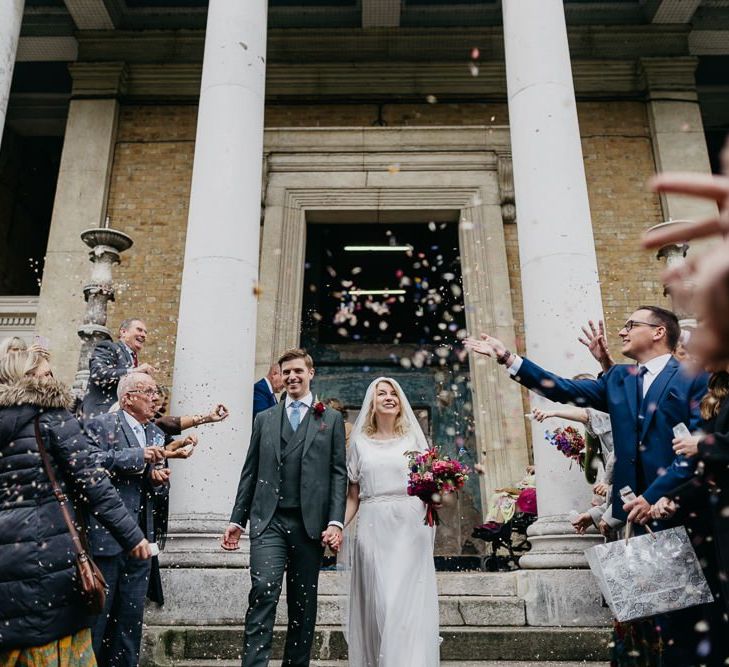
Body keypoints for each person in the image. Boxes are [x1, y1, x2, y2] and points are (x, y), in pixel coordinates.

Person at [464, 306, 709, 665]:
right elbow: (561, 389)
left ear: (659, 332)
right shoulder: (619, 379)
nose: (622, 332)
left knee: (681, 624)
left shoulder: (693, 377)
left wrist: (655, 496)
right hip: (631, 522)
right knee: (633, 622)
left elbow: (694, 447)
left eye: (631, 325)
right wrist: (508, 358)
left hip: (677, 514)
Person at [0, 350, 151, 664]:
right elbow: (92, 483)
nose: (52, 378)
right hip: (49, 555)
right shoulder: (52, 417)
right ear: (28, 379)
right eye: (46, 373)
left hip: (6, 562)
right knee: (54, 645)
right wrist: (132, 537)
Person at [221, 348, 347, 667]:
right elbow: (250, 472)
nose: (292, 377)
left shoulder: (329, 419)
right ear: (280, 376)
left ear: (310, 374)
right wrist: (238, 519)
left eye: (298, 371)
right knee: (263, 589)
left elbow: (337, 474)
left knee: (302, 604)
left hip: (310, 525)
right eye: (287, 372)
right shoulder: (265, 419)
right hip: (269, 522)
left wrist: (336, 521)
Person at [343, 377, 440, 667]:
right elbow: (352, 497)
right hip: (373, 524)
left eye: (393, 394)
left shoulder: (413, 441)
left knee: (405, 602)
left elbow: (430, 488)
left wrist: (440, 487)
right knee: (382, 600)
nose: (388, 397)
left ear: (400, 403)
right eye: (381, 393)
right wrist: (337, 526)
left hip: (411, 525)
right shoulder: (359, 444)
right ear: (371, 403)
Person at [84, 372, 169, 667]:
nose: (155, 397)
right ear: (128, 397)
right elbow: (90, 461)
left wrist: (159, 482)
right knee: (97, 621)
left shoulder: (157, 434)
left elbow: (158, 487)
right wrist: (137, 456)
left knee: (130, 622)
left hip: (142, 541)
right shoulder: (101, 424)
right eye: (149, 391)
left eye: (156, 391)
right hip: (105, 537)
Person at [81, 319, 157, 420]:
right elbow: (98, 373)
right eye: (139, 330)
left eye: (145, 332)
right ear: (123, 332)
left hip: (121, 419)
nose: (143, 335)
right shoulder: (109, 347)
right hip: (101, 415)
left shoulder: (132, 359)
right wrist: (134, 372)